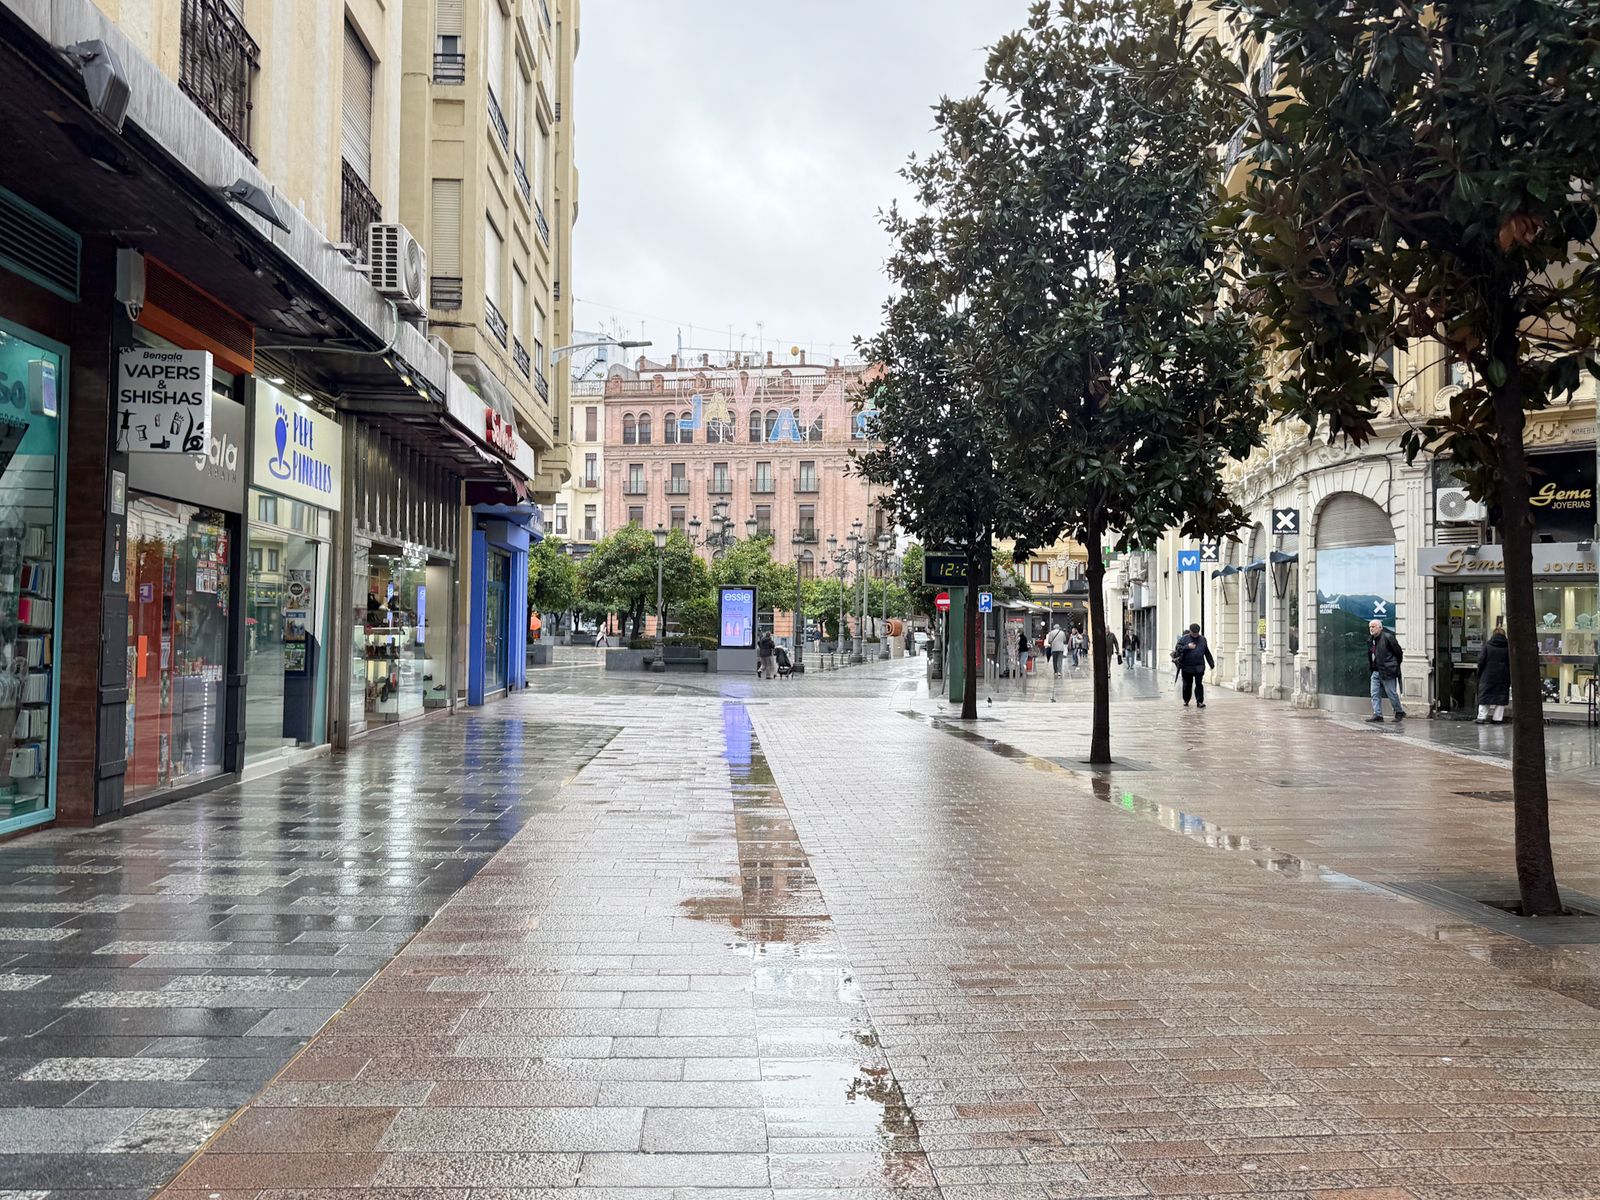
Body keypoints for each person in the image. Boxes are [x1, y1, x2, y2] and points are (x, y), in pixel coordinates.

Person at [1367, 618, 1407, 722]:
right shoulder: (1371, 640)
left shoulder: (1388, 637)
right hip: (1375, 671)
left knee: (1391, 693)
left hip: (1388, 671)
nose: (1371, 629)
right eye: (1370, 627)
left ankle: (1399, 711)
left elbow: (1398, 653)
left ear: (1380, 627)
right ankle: (1377, 714)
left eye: (1373, 626)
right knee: (1374, 693)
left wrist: (1393, 665)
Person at [1172, 623, 1215, 708]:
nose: (1195, 635)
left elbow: (1206, 652)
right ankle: (1186, 700)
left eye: (1197, 633)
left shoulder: (1203, 639)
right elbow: (1178, 650)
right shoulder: (1183, 639)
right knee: (1187, 684)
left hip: (1199, 666)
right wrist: (1187, 647)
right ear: (1190, 631)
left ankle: (1199, 702)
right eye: (1194, 633)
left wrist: (1211, 663)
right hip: (1187, 666)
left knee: (1199, 684)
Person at [1476, 626, 1510, 724]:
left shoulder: (1487, 646)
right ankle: (1497, 719)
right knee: (1501, 698)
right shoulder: (1508, 647)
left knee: (1485, 697)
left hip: (1488, 675)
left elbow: (1481, 661)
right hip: (1503, 676)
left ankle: (1481, 717)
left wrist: (1480, 672)